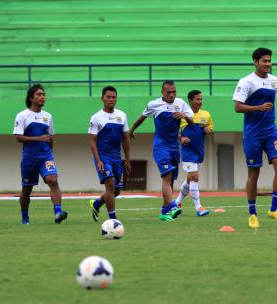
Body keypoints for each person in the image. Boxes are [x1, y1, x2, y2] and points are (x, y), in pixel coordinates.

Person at [233, 47, 277, 229]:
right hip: (252, 134)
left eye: (270, 60)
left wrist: (266, 112)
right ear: (255, 62)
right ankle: (252, 214)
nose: (268, 64)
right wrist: (258, 108)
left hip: (271, 131)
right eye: (264, 61)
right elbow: (238, 107)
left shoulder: (274, 80)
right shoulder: (246, 81)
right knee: (254, 173)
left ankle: (274, 208)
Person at [129, 81, 194, 221]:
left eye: (174, 92)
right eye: (168, 92)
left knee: (170, 182)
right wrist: (132, 130)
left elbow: (192, 122)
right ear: (162, 93)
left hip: (174, 147)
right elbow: (142, 118)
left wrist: (184, 115)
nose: (172, 95)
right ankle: (173, 206)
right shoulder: (154, 104)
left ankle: (163, 212)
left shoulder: (181, 103)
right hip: (160, 146)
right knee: (166, 177)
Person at [13, 84, 68, 225]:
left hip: (45, 156)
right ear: (31, 98)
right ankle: (25, 217)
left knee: (53, 180)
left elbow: (50, 138)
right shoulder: (22, 115)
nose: (42, 97)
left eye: (43, 94)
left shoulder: (48, 116)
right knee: (27, 189)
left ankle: (58, 212)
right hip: (29, 157)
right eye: (39, 94)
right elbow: (18, 137)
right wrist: (37, 138)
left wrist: (50, 154)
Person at [88, 86, 131, 221]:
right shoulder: (96, 118)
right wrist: (98, 160)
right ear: (102, 99)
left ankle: (97, 203)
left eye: (113, 97)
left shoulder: (122, 115)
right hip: (103, 156)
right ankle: (113, 219)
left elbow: (125, 139)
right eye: (108, 97)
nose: (111, 99)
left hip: (116, 157)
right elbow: (92, 141)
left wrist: (128, 160)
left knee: (116, 190)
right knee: (110, 183)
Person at [174, 89, 213, 217]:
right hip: (188, 151)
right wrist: (181, 138)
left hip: (199, 151)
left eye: (201, 99)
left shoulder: (206, 114)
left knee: (190, 179)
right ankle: (199, 208)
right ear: (190, 100)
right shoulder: (182, 115)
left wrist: (208, 130)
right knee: (195, 178)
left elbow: (210, 128)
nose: (200, 102)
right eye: (197, 99)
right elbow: (174, 132)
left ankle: (177, 202)